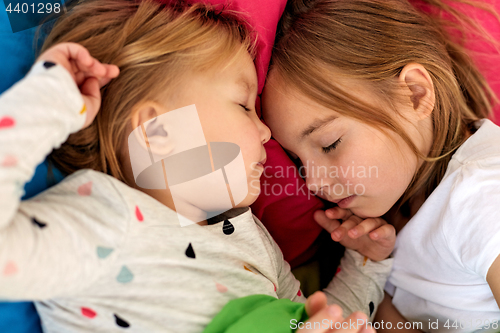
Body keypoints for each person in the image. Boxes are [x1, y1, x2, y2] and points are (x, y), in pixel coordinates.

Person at [0, 0, 395, 332]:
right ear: (158, 133)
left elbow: (318, 318)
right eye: (244, 106)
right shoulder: (106, 219)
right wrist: (49, 101)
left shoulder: (252, 239)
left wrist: (366, 266)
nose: (265, 132)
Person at [262, 0, 500, 331]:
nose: (312, 183)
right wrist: (369, 263)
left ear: (415, 94)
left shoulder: (484, 192)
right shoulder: (396, 201)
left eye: (330, 143)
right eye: (297, 160)